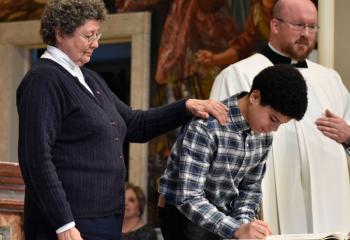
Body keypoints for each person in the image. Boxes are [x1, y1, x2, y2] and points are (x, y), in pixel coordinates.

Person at [16, 1, 229, 240]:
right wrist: (63, 223)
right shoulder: (43, 80)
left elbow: (136, 124)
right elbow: (36, 158)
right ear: (60, 32)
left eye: (98, 35)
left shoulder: (90, 78)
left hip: (104, 220)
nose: (96, 44)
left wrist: (186, 107)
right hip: (70, 224)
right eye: (88, 35)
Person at [209, 0, 350, 235]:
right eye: (299, 25)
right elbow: (220, 151)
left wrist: (347, 136)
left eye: (312, 27)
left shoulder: (331, 80)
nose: (307, 34)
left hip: (332, 208)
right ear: (275, 25)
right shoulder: (238, 74)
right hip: (268, 207)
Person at [158, 64, 308, 240]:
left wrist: (245, 224)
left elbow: (251, 187)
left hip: (225, 218)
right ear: (255, 97)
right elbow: (188, 197)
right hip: (185, 216)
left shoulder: (263, 134)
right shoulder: (206, 126)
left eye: (280, 124)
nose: (274, 129)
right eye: (273, 119)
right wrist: (237, 229)